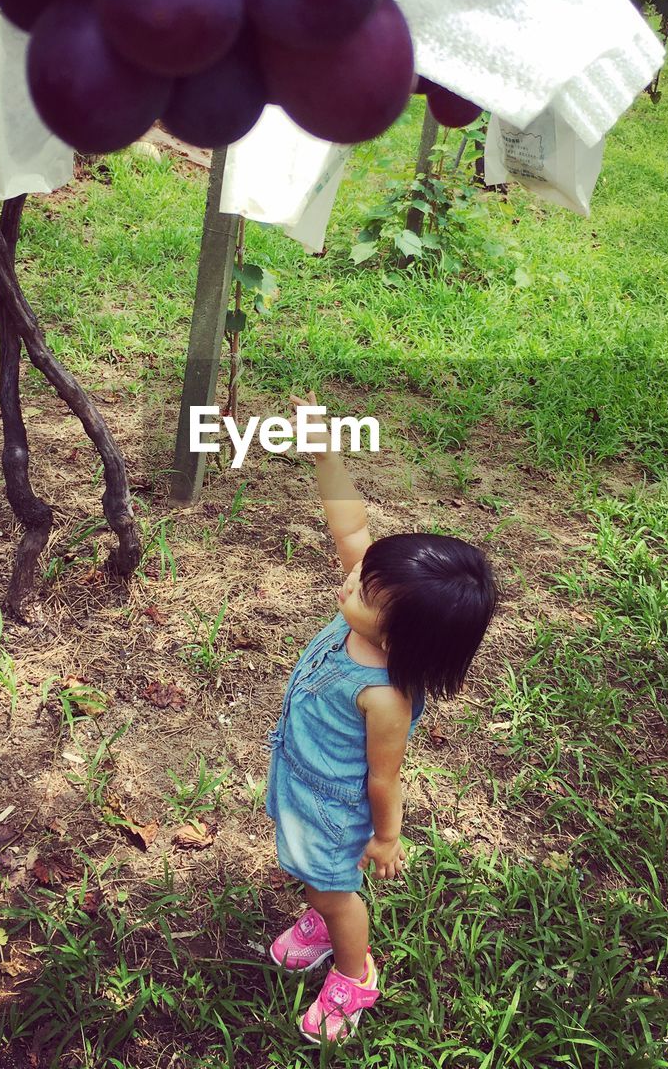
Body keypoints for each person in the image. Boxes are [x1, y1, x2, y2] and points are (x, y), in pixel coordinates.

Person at [265, 393, 498, 1044]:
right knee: (310, 873)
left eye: (366, 591)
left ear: (405, 640)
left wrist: (387, 839)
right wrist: (324, 450)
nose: (351, 582)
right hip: (300, 774)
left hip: (337, 806)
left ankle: (353, 971)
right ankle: (318, 908)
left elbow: (383, 778)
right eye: (367, 574)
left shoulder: (386, 696)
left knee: (339, 891)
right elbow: (349, 529)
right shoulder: (370, 606)